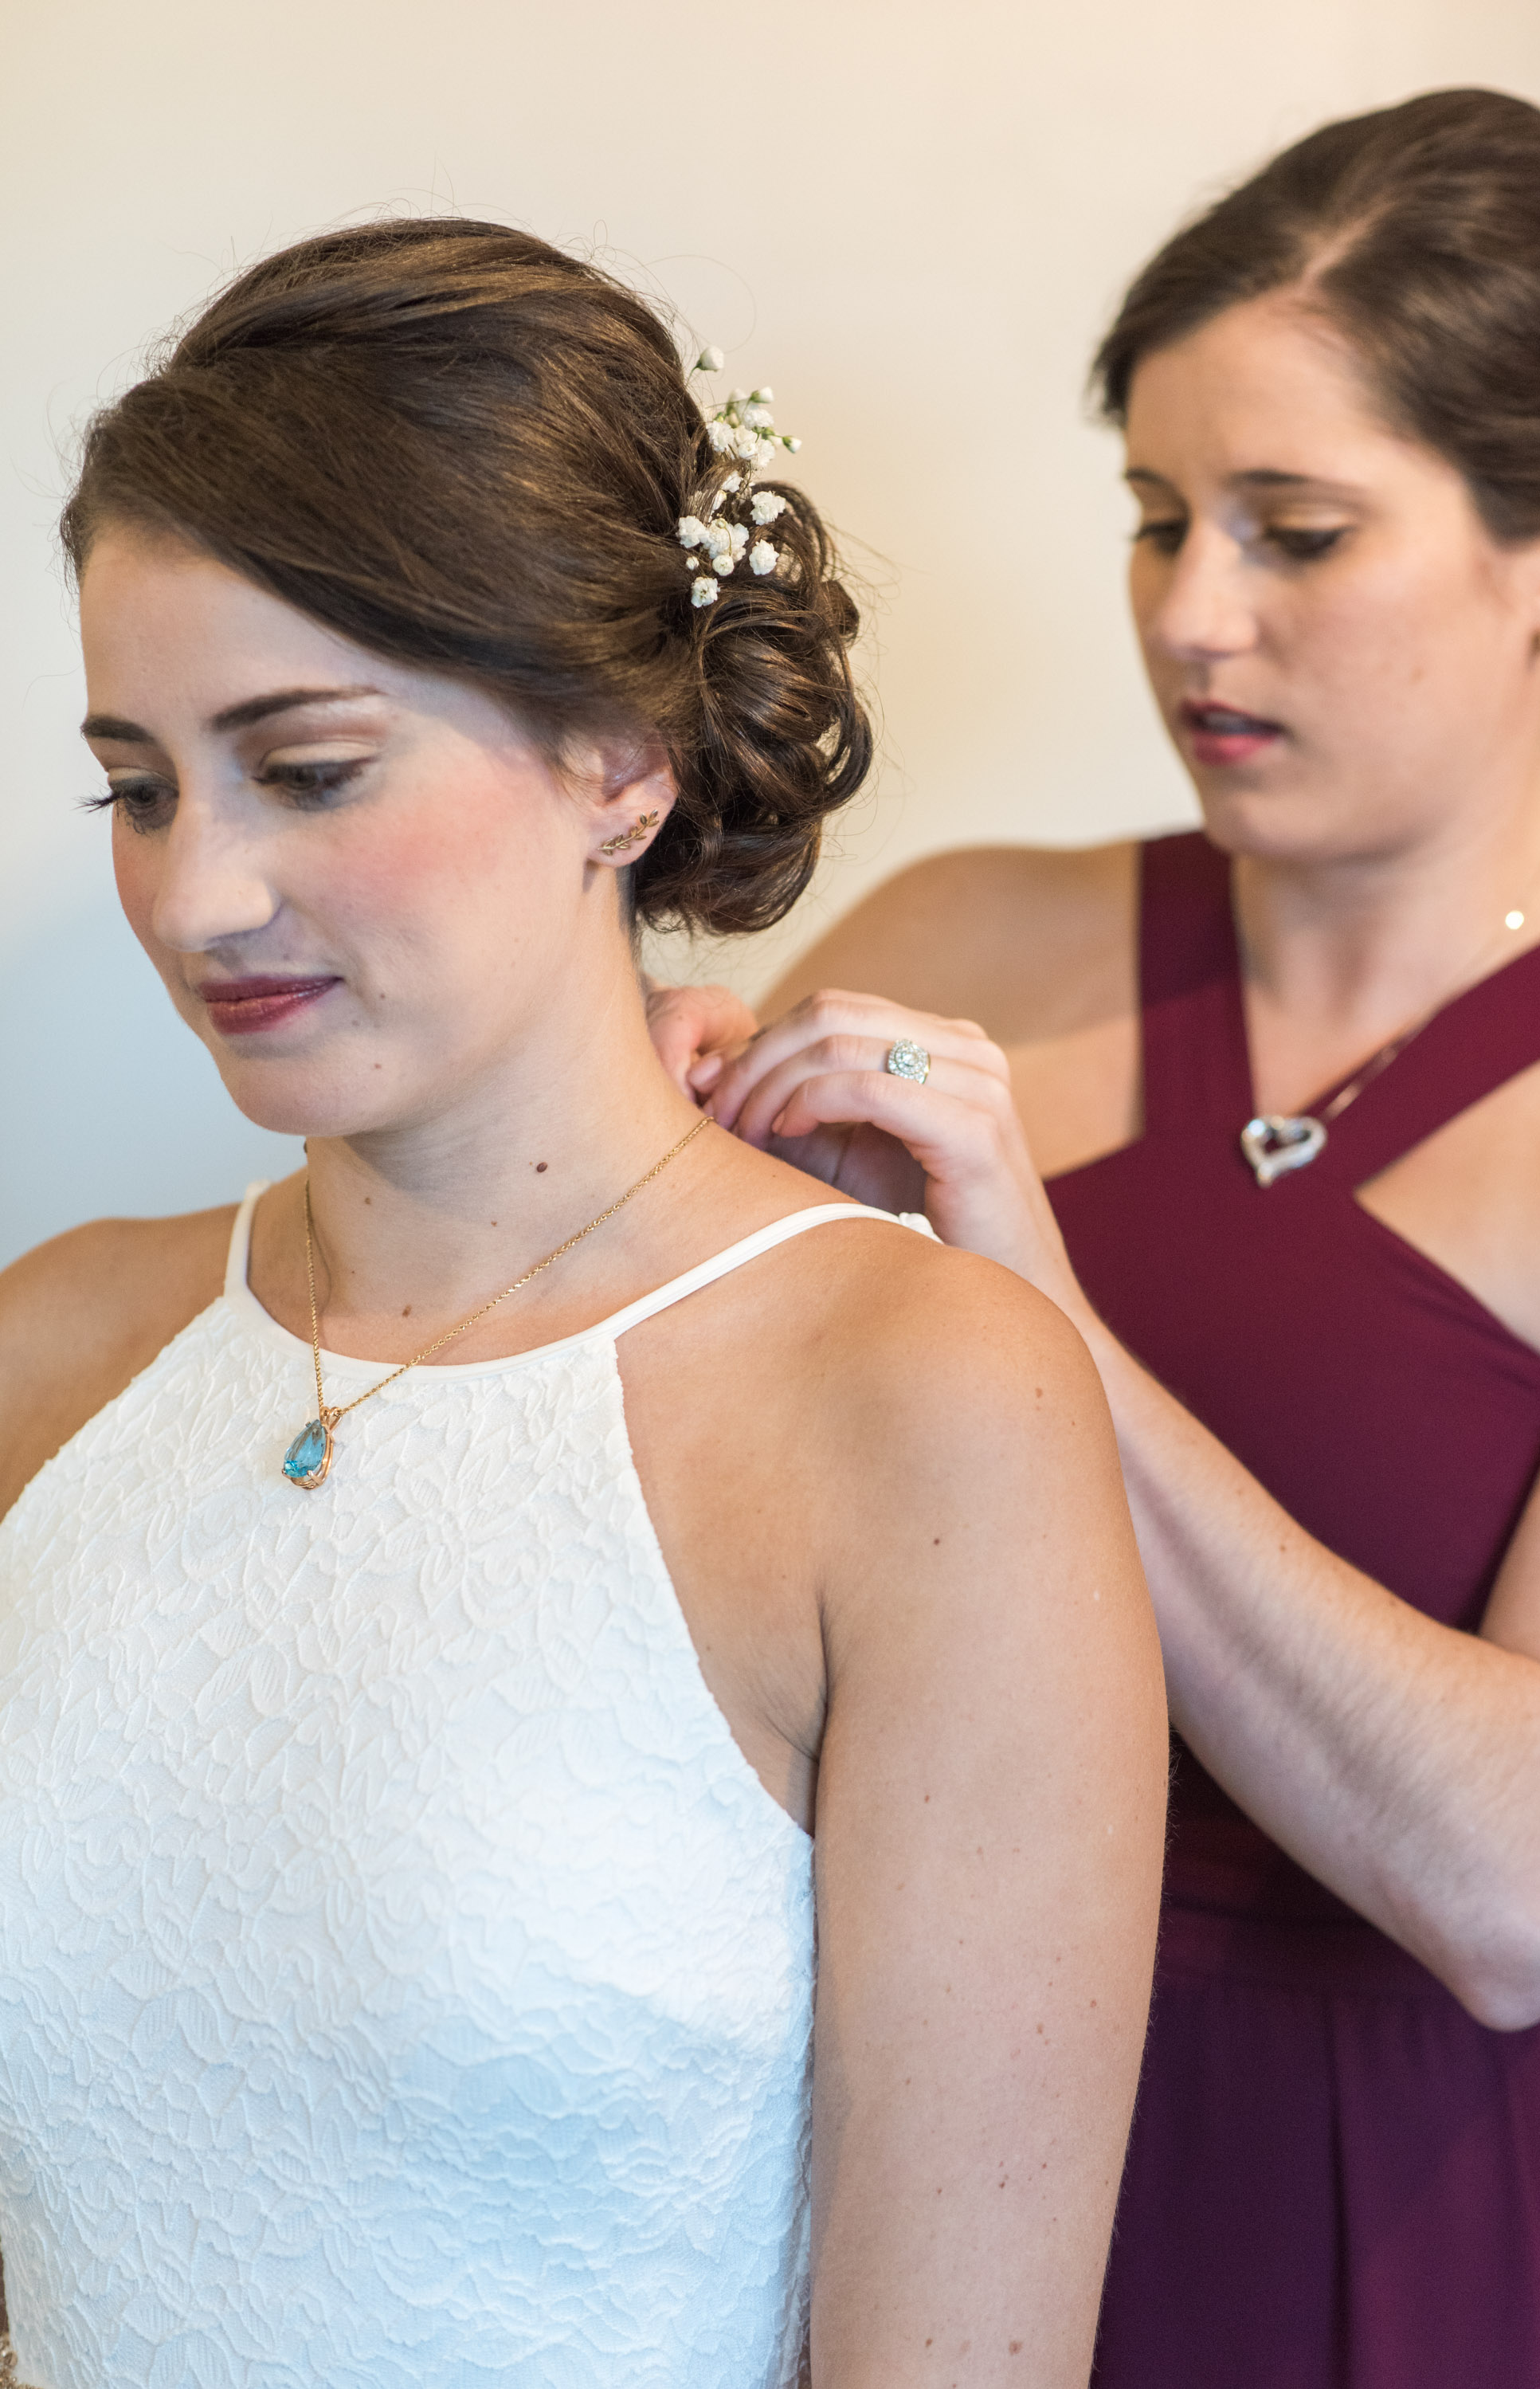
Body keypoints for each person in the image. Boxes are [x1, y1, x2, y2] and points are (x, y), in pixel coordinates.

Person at [0, 222, 1167, 2388]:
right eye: (139, 789)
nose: (196, 893)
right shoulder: (57, 1352)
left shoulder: (909, 1401)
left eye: (307, 767)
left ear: (622, 759)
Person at [650, 88, 1540, 2389]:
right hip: (887, 2127)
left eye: (1295, 532)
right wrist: (616, 1120)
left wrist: (1032, 1311)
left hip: (1390, 2212)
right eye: (1158, 519)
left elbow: (1524, 1884)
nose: (1191, 616)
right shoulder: (970, 937)